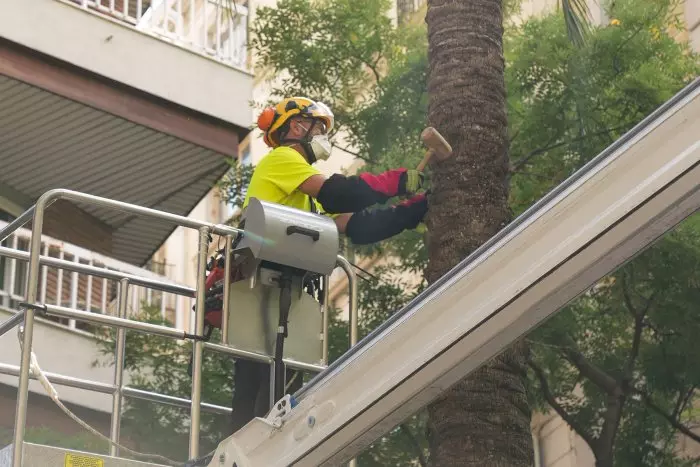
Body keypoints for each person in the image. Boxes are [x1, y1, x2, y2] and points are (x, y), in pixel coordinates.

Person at [229, 96, 428, 433]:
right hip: (260, 289)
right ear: (296, 126)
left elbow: (357, 226)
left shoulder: (304, 195)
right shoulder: (282, 159)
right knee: (256, 390)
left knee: (279, 385)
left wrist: (412, 211)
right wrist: (392, 182)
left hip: (282, 294)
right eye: (318, 127)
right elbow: (338, 193)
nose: (323, 135)